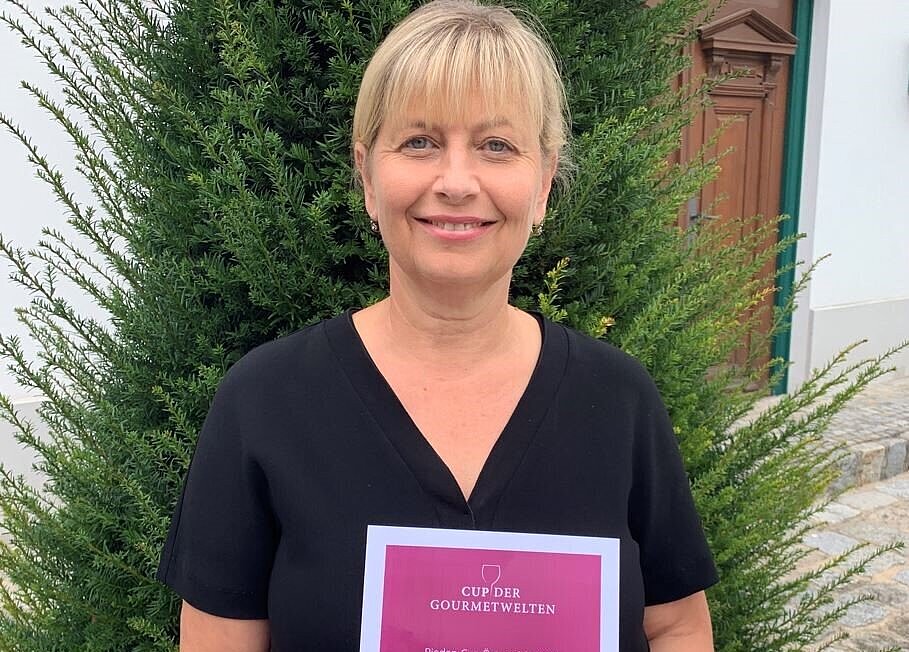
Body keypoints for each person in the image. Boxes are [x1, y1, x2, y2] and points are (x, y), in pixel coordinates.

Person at [157, 1, 718, 650]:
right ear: (368, 177)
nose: (455, 182)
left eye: (496, 146)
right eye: (419, 142)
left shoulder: (617, 399)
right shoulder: (264, 400)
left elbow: (676, 627)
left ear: (541, 184)